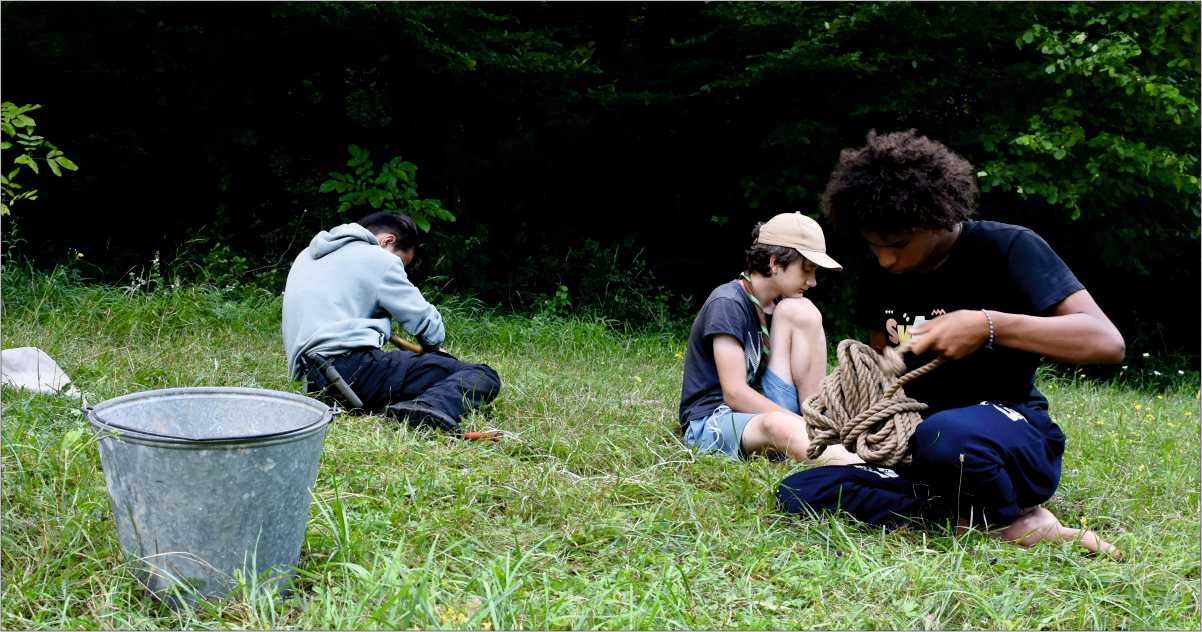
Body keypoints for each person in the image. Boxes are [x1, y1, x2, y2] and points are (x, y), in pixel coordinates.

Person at [779, 129, 1123, 559]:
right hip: (923, 449)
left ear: (937, 219)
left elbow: (1106, 342)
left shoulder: (1009, 247)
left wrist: (987, 325)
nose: (886, 259)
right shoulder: (880, 272)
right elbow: (885, 366)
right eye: (874, 245)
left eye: (898, 244)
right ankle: (962, 515)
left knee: (946, 435)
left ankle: (1017, 521)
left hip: (1007, 436)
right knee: (802, 491)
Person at [281, 211, 501, 433]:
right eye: (402, 263)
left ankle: (405, 405)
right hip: (354, 372)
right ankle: (427, 409)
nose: (400, 270)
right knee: (482, 375)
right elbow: (429, 327)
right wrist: (434, 349)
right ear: (387, 240)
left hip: (316, 384)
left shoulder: (306, 257)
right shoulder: (377, 258)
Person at [678, 211, 862, 465]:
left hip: (758, 410)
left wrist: (812, 420)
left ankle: (819, 424)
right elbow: (734, 394)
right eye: (806, 270)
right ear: (775, 263)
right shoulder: (727, 303)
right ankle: (867, 469)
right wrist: (794, 422)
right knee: (778, 426)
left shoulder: (778, 306)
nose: (812, 281)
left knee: (803, 310)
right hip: (713, 420)